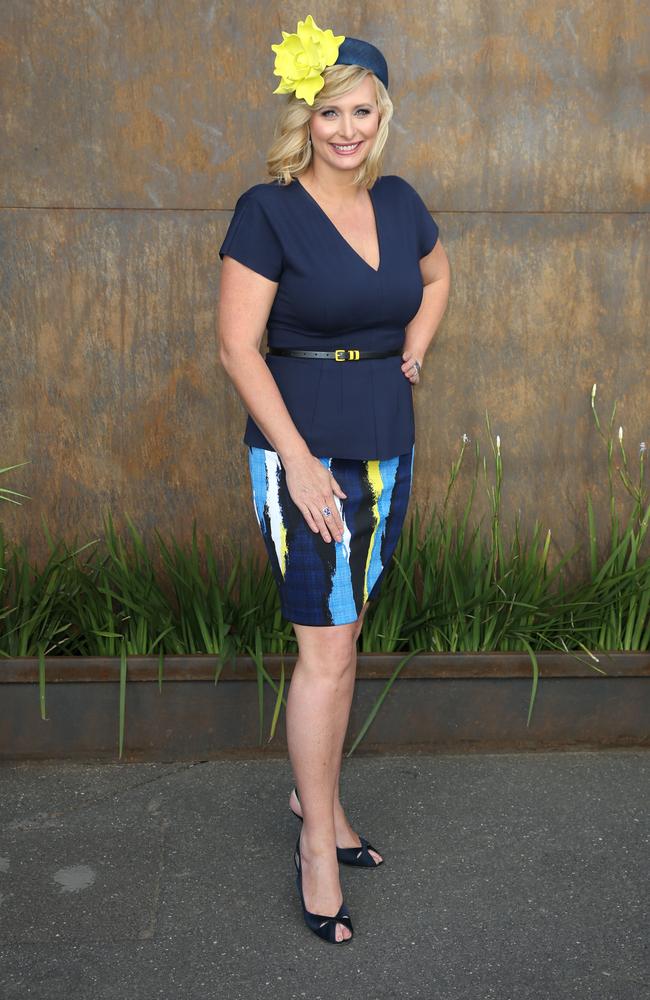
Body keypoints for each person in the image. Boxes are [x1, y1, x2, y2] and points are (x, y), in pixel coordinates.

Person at [217, 13, 450, 945]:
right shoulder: (265, 209)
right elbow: (238, 346)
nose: (345, 129)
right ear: (304, 119)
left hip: (386, 445)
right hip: (300, 453)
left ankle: (320, 799)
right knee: (324, 650)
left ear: (381, 116)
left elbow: (435, 280)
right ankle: (317, 838)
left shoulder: (401, 203)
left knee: (346, 643)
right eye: (328, 112)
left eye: (361, 111)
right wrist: (303, 467)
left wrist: (416, 352)